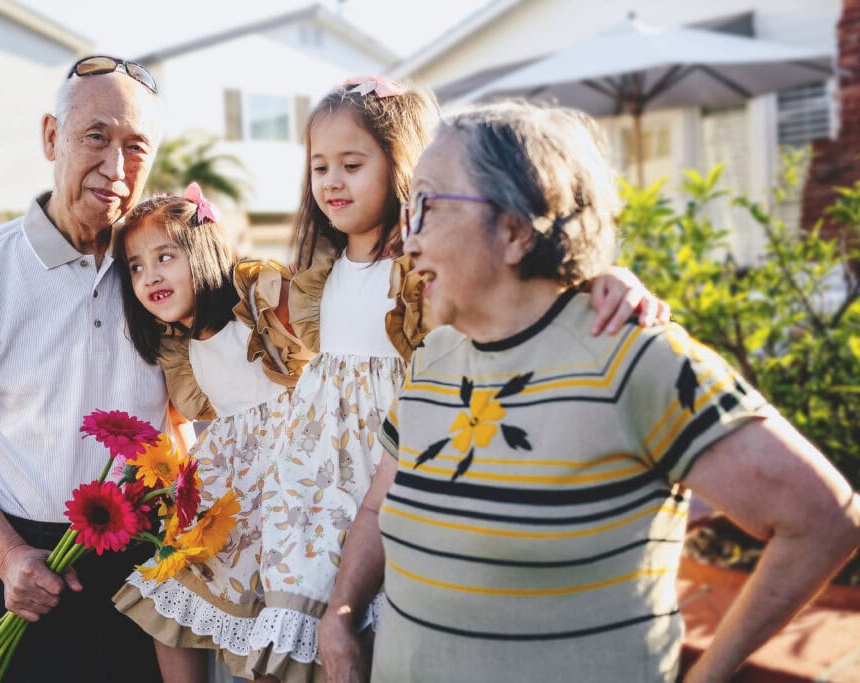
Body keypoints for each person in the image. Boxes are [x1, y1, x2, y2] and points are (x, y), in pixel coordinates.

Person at [317, 100, 860, 683]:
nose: (407, 237)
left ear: (516, 228)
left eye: (428, 206)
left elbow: (824, 521)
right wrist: (340, 615)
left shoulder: (634, 358)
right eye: (408, 209)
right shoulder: (432, 360)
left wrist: (708, 676)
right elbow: (379, 506)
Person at [249, 79, 671, 682]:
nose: (331, 182)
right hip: (314, 473)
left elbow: (518, 285)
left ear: (404, 167)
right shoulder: (313, 273)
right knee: (304, 628)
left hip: (392, 454)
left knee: (390, 617)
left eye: (351, 164)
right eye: (319, 166)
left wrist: (607, 278)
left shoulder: (423, 264)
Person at [0, 56, 168, 682]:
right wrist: (9, 554)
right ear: (52, 136)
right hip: (17, 574)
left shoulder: (165, 273)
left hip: (142, 576)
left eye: (136, 147)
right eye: (96, 137)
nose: (116, 167)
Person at [111, 187, 309, 683]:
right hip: (231, 493)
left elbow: (317, 344)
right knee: (169, 597)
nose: (150, 274)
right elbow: (180, 419)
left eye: (165, 256)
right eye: (135, 266)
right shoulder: (182, 348)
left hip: (290, 481)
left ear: (202, 250)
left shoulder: (255, 301)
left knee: (273, 633)